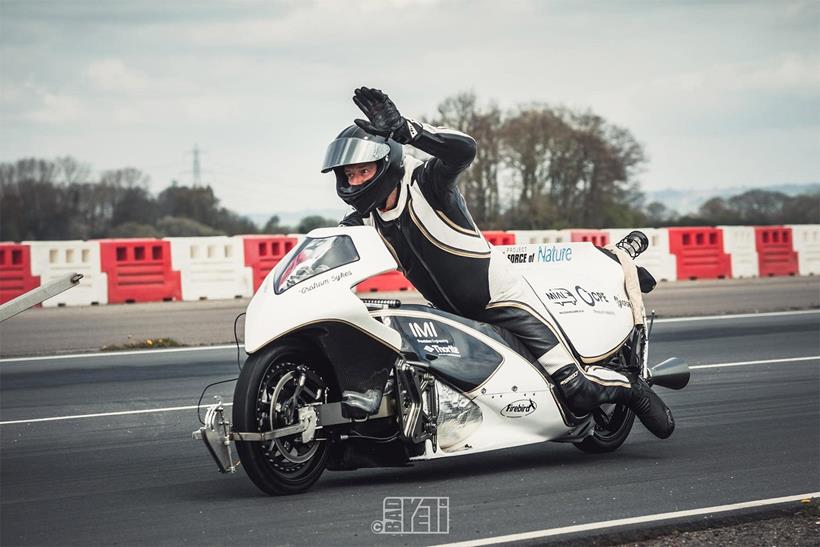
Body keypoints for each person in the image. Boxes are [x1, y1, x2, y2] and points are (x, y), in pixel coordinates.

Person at [322, 87, 674, 439]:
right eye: (348, 175)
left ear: (386, 164)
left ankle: (632, 388)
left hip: (504, 301)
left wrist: (407, 130)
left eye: (362, 171)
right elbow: (331, 253)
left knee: (578, 390)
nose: (355, 181)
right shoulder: (364, 220)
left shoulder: (428, 183)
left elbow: (464, 149)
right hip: (453, 317)